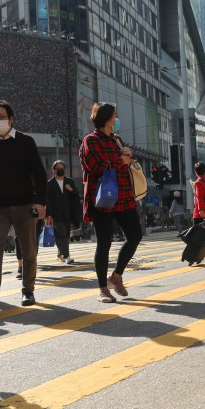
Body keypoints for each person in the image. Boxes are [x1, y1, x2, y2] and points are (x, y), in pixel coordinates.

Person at [0, 100, 47, 313]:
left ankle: (28, 290)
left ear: (11, 119)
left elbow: (39, 174)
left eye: (2, 117)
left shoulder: (26, 142)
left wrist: (40, 202)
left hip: (25, 205)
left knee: (29, 250)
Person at [80, 102, 143, 303]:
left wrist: (128, 155)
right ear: (107, 119)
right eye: (115, 116)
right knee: (104, 243)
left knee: (135, 235)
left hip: (124, 195)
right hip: (102, 198)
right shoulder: (90, 141)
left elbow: (123, 162)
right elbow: (96, 167)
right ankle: (102, 289)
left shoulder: (116, 139)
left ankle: (116, 276)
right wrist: (121, 160)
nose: (117, 119)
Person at [45, 160, 80, 265]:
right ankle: (67, 256)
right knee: (61, 234)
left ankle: (61, 253)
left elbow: (76, 195)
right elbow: (47, 200)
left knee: (66, 234)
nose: (60, 170)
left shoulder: (70, 181)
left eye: (62, 168)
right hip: (56, 214)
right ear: (53, 170)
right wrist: (48, 215)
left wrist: (71, 190)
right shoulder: (49, 184)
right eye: (58, 168)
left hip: (68, 212)